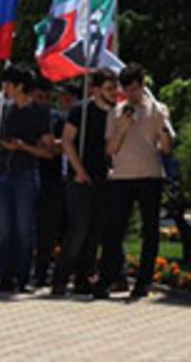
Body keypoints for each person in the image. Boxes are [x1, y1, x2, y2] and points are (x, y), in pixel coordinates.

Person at [95, 64, 175, 300]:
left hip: (150, 176)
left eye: (134, 88)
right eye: (126, 89)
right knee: (113, 230)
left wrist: (163, 129)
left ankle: (144, 282)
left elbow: (167, 148)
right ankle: (108, 278)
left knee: (149, 231)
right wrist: (121, 129)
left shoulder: (158, 109)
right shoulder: (116, 112)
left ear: (142, 85)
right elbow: (110, 149)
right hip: (121, 177)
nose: (130, 94)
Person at [0, 65, 55, 294]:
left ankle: (23, 277)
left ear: (20, 86)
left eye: (8, 84)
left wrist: (23, 146)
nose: (4, 89)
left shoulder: (39, 112)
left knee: (24, 229)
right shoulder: (2, 110)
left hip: (26, 174)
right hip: (3, 174)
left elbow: (48, 151)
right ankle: (5, 276)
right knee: (5, 230)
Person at [53, 68, 117, 296]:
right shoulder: (80, 110)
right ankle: (60, 278)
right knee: (77, 229)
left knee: (94, 231)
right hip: (79, 177)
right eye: (108, 89)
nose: (113, 93)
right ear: (95, 89)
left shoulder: (114, 113)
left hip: (103, 177)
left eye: (114, 88)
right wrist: (79, 170)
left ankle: (83, 278)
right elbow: (68, 142)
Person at [31, 76, 66, 288]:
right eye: (38, 96)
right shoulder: (24, 115)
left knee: (47, 229)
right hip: (27, 174)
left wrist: (50, 146)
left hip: (51, 179)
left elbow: (61, 146)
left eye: (46, 97)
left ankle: (42, 272)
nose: (42, 100)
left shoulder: (57, 119)